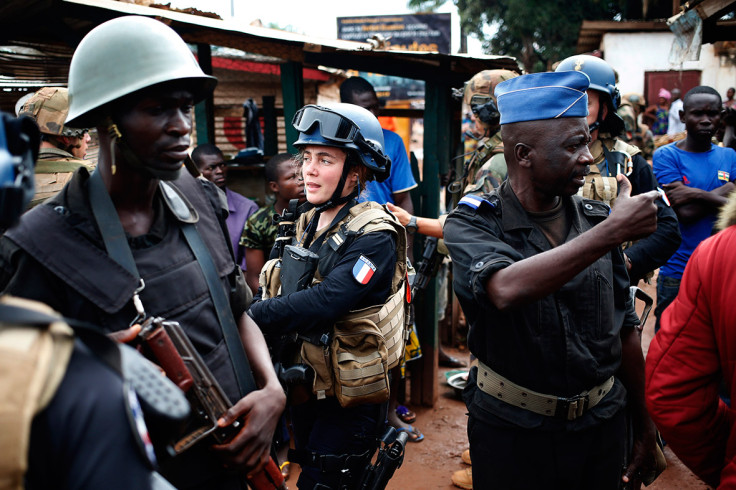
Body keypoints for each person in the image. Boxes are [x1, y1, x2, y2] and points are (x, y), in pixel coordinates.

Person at [0, 16, 285, 490]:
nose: (180, 128)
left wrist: (271, 392)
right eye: (157, 109)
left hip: (244, 466)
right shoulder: (40, 246)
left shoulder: (198, 198)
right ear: (106, 119)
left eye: (184, 108)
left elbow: (238, 309)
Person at [444, 70, 661, 489]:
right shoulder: (472, 223)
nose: (589, 157)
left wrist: (643, 423)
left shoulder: (595, 220)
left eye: (586, 140)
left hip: (601, 426)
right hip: (512, 435)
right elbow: (504, 289)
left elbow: (626, 331)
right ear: (524, 154)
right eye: (573, 145)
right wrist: (611, 232)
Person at [249, 103, 407, 489]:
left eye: (325, 159)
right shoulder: (304, 218)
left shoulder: (375, 235)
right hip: (308, 386)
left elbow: (329, 301)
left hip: (349, 401)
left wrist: (250, 316)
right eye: (306, 158)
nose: (309, 170)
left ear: (356, 171)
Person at [555, 55, 680, 285]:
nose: (573, 109)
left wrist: (626, 263)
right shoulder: (542, 157)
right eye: (566, 99)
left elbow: (668, 229)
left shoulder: (627, 162)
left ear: (604, 109)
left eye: (584, 102)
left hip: (611, 292)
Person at [646, 193, 736, 489]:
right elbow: (680, 211)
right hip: (677, 272)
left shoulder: (721, 251)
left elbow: (671, 391)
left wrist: (727, 460)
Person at [652, 85, 736, 332]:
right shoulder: (666, 155)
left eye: (712, 114)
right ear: (682, 117)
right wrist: (727, 189)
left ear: (721, 116)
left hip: (722, 270)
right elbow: (684, 214)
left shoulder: (729, 155)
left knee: (716, 341)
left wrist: (694, 193)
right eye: (697, 113)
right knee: (670, 338)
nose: (706, 120)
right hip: (679, 269)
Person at [339, 76, 417, 211]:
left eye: (375, 106)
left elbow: (403, 198)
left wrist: (407, 230)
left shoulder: (393, 141)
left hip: (381, 227)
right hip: (340, 227)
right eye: (366, 109)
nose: (373, 114)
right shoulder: (334, 141)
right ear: (347, 109)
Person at [18, 87, 94, 207]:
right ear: (66, 138)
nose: (88, 138)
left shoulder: (8, 177)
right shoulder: (89, 178)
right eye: (83, 132)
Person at [241, 152, 305, 294]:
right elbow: (253, 276)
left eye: (302, 173)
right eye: (292, 177)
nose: (301, 180)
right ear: (274, 186)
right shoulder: (258, 222)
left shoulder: (318, 213)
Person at [192, 143, 258, 271]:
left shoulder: (248, 209)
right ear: (195, 172)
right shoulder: (185, 209)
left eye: (222, 165)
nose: (220, 171)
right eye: (211, 168)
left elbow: (249, 263)